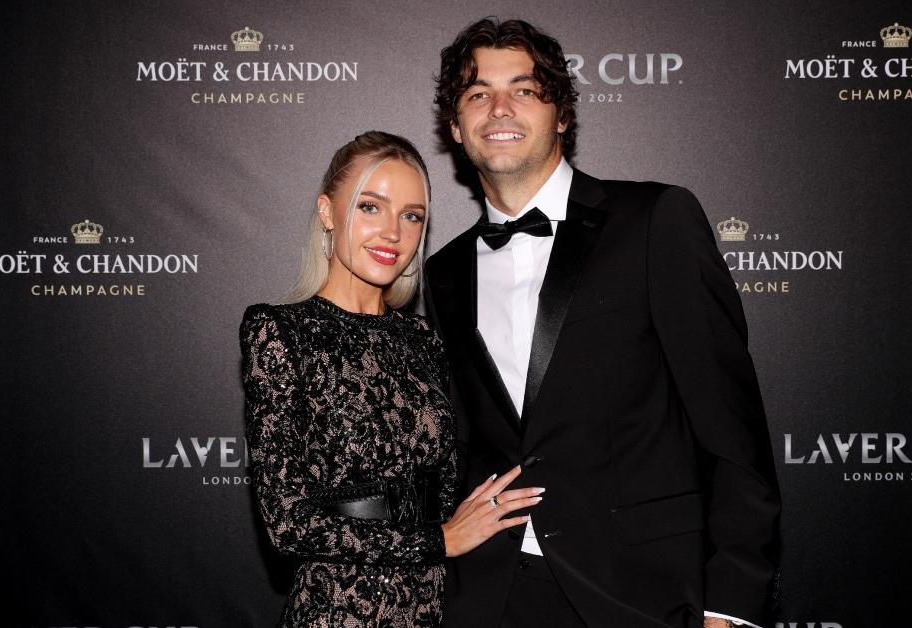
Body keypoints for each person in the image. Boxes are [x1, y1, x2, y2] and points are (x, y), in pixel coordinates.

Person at [423, 20, 782, 628]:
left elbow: (731, 427)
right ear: (456, 127)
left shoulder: (654, 220)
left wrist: (733, 604)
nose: (499, 108)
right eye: (476, 93)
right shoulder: (444, 269)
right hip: (492, 593)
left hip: (639, 592)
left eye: (525, 90)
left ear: (562, 115)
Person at [240, 131, 543, 627]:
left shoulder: (424, 337)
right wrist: (440, 539)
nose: (392, 233)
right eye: (370, 207)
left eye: (411, 216)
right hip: (338, 609)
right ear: (327, 211)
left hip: (435, 607)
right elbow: (287, 523)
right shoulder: (280, 331)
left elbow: (448, 481)